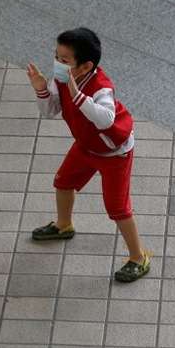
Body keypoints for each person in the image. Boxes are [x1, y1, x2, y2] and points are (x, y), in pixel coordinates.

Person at [26, 27, 150, 283]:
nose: (57, 64)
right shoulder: (61, 80)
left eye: (64, 60)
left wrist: (78, 96)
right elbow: (49, 111)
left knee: (117, 208)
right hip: (86, 146)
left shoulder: (102, 88)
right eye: (56, 56)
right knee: (63, 182)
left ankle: (139, 257)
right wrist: (41, 90)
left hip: (114, 153)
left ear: (85, 66)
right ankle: (63, 225)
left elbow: (106, 119)